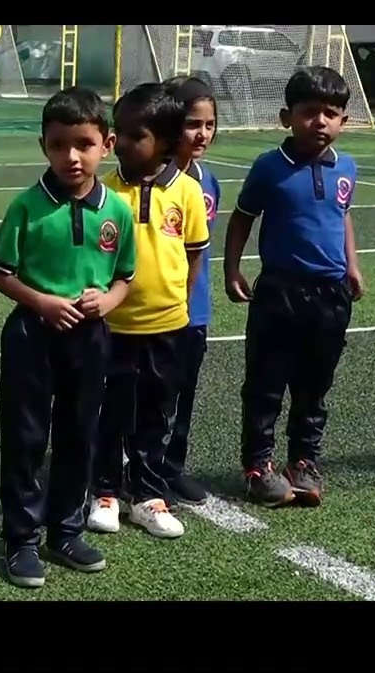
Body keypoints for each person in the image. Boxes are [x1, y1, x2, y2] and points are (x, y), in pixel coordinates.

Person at [0, 87, 136, 589]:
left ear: (106, 144)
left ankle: (66, 531)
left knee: (79, 434)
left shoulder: (116, 210)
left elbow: (125, 277)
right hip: (33, 334)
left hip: (90, 337)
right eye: (58, 145)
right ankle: (22, 539)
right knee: (26, 438)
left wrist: (109, 302)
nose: (71, 156)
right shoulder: (27, 207)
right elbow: (0, 274)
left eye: (83, 144)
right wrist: (43, 303)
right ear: (43, 146)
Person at [223, 66, 366, 508]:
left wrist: (352, 266)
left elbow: (341, 215)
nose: (320, 122)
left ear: (343, 121)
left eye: (331, 113)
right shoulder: (270, 167)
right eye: (309, 112)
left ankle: (303, 461)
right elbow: (243, 216)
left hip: (330, 296)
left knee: (314, 386)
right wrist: (231, 269)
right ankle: (257, 467)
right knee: (266, 385)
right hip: (279, 293)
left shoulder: (347, 168)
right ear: (287, 117)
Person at [88, 83, 209, 540]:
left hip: (166, 328)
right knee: (110, 411)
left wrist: (176, 302)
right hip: (113, 325)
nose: (118, 142)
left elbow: (193, 255)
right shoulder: (104, 191)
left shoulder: (189, 192)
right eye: (116, 132)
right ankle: (104, 491)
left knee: (156, 415)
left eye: (133, 134)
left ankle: (148, 495)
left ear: (163, 141)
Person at [164, 76, 222, 507]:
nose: (201, 133)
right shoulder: (150, 179)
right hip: (147, 311)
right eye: (191, 124)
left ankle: (172, 468)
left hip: (193, 310)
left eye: (209, 124)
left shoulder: (208, 181)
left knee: (183, 393)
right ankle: (122, 471)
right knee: (139, 396)